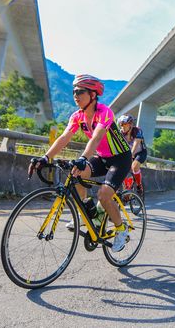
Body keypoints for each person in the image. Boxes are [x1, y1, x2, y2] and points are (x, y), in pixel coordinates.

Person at [30, 74, 132, 252]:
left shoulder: (105, 112)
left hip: (120, 158)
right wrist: (46, 157)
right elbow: (64, 138)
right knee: (76, 173)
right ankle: (86, 214)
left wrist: (84, 158)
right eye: (74, 92)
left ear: (92, 94)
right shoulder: (77, 116)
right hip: (101, 157)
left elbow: (96, 137)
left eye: (79, 92)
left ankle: (121, 229)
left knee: (104, 195)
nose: (75, 95)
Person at [117, 114, 147, 197]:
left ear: (130, 124)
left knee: (134, 166)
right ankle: (127, 189)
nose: (122, 127)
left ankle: (139, 185)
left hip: (140, 152)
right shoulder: (120, 133)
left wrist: (130, 156)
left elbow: (136, 144)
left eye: (124, 124)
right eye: (121, 125)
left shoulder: (137, 131)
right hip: (128, 153)